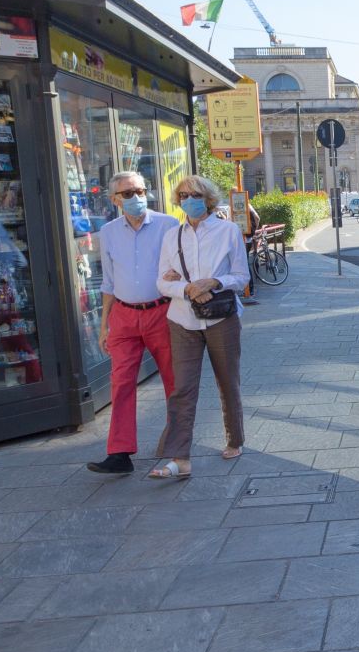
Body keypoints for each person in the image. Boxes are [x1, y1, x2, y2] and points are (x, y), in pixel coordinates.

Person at [149, 175, 248, 480]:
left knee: (227, 381)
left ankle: (235, 439)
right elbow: (162, 282)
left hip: (222, 317)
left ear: (207, 198)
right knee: (182, 388)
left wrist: (214, 282)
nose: (188, 200)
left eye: (194, 195)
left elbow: (241, 277)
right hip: (183, 319)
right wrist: (188, 289)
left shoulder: (228, 231)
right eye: (183, 195)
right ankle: (180, 458)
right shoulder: (172, 236)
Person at [87, 173, 178, 475]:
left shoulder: (167, 225)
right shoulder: (108, 232)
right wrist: (104, 327)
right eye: (127, 193)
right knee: (121, 382)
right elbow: (108, 282)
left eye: (140, 190)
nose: (136, 197)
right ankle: (119, 452)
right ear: (114, 199)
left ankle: (178, 443)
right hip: (123, 315)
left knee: (174, 380)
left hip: (161, 311)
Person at [240, 197, 262, 306]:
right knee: (244, 263)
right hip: (247, 239)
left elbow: (257, 217)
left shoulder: (238, 206)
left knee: (243, 264)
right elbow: (257, 218)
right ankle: (248, 289)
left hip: (242, 240)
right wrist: (253, 231)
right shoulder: (247, 204)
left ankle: (249, 289)